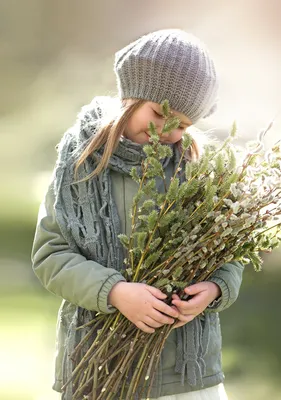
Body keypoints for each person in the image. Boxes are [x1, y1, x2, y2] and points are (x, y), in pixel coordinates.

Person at [31, 29, 244, 400]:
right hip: (99, 367)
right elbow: (51, 254)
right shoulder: (79, 164)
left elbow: (228, 252)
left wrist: (214, 289)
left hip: (184, 374)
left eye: (183, 125)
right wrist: (114, 292)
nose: (169, 131)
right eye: (161, 114)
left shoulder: (197, 171)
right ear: (131, 96)